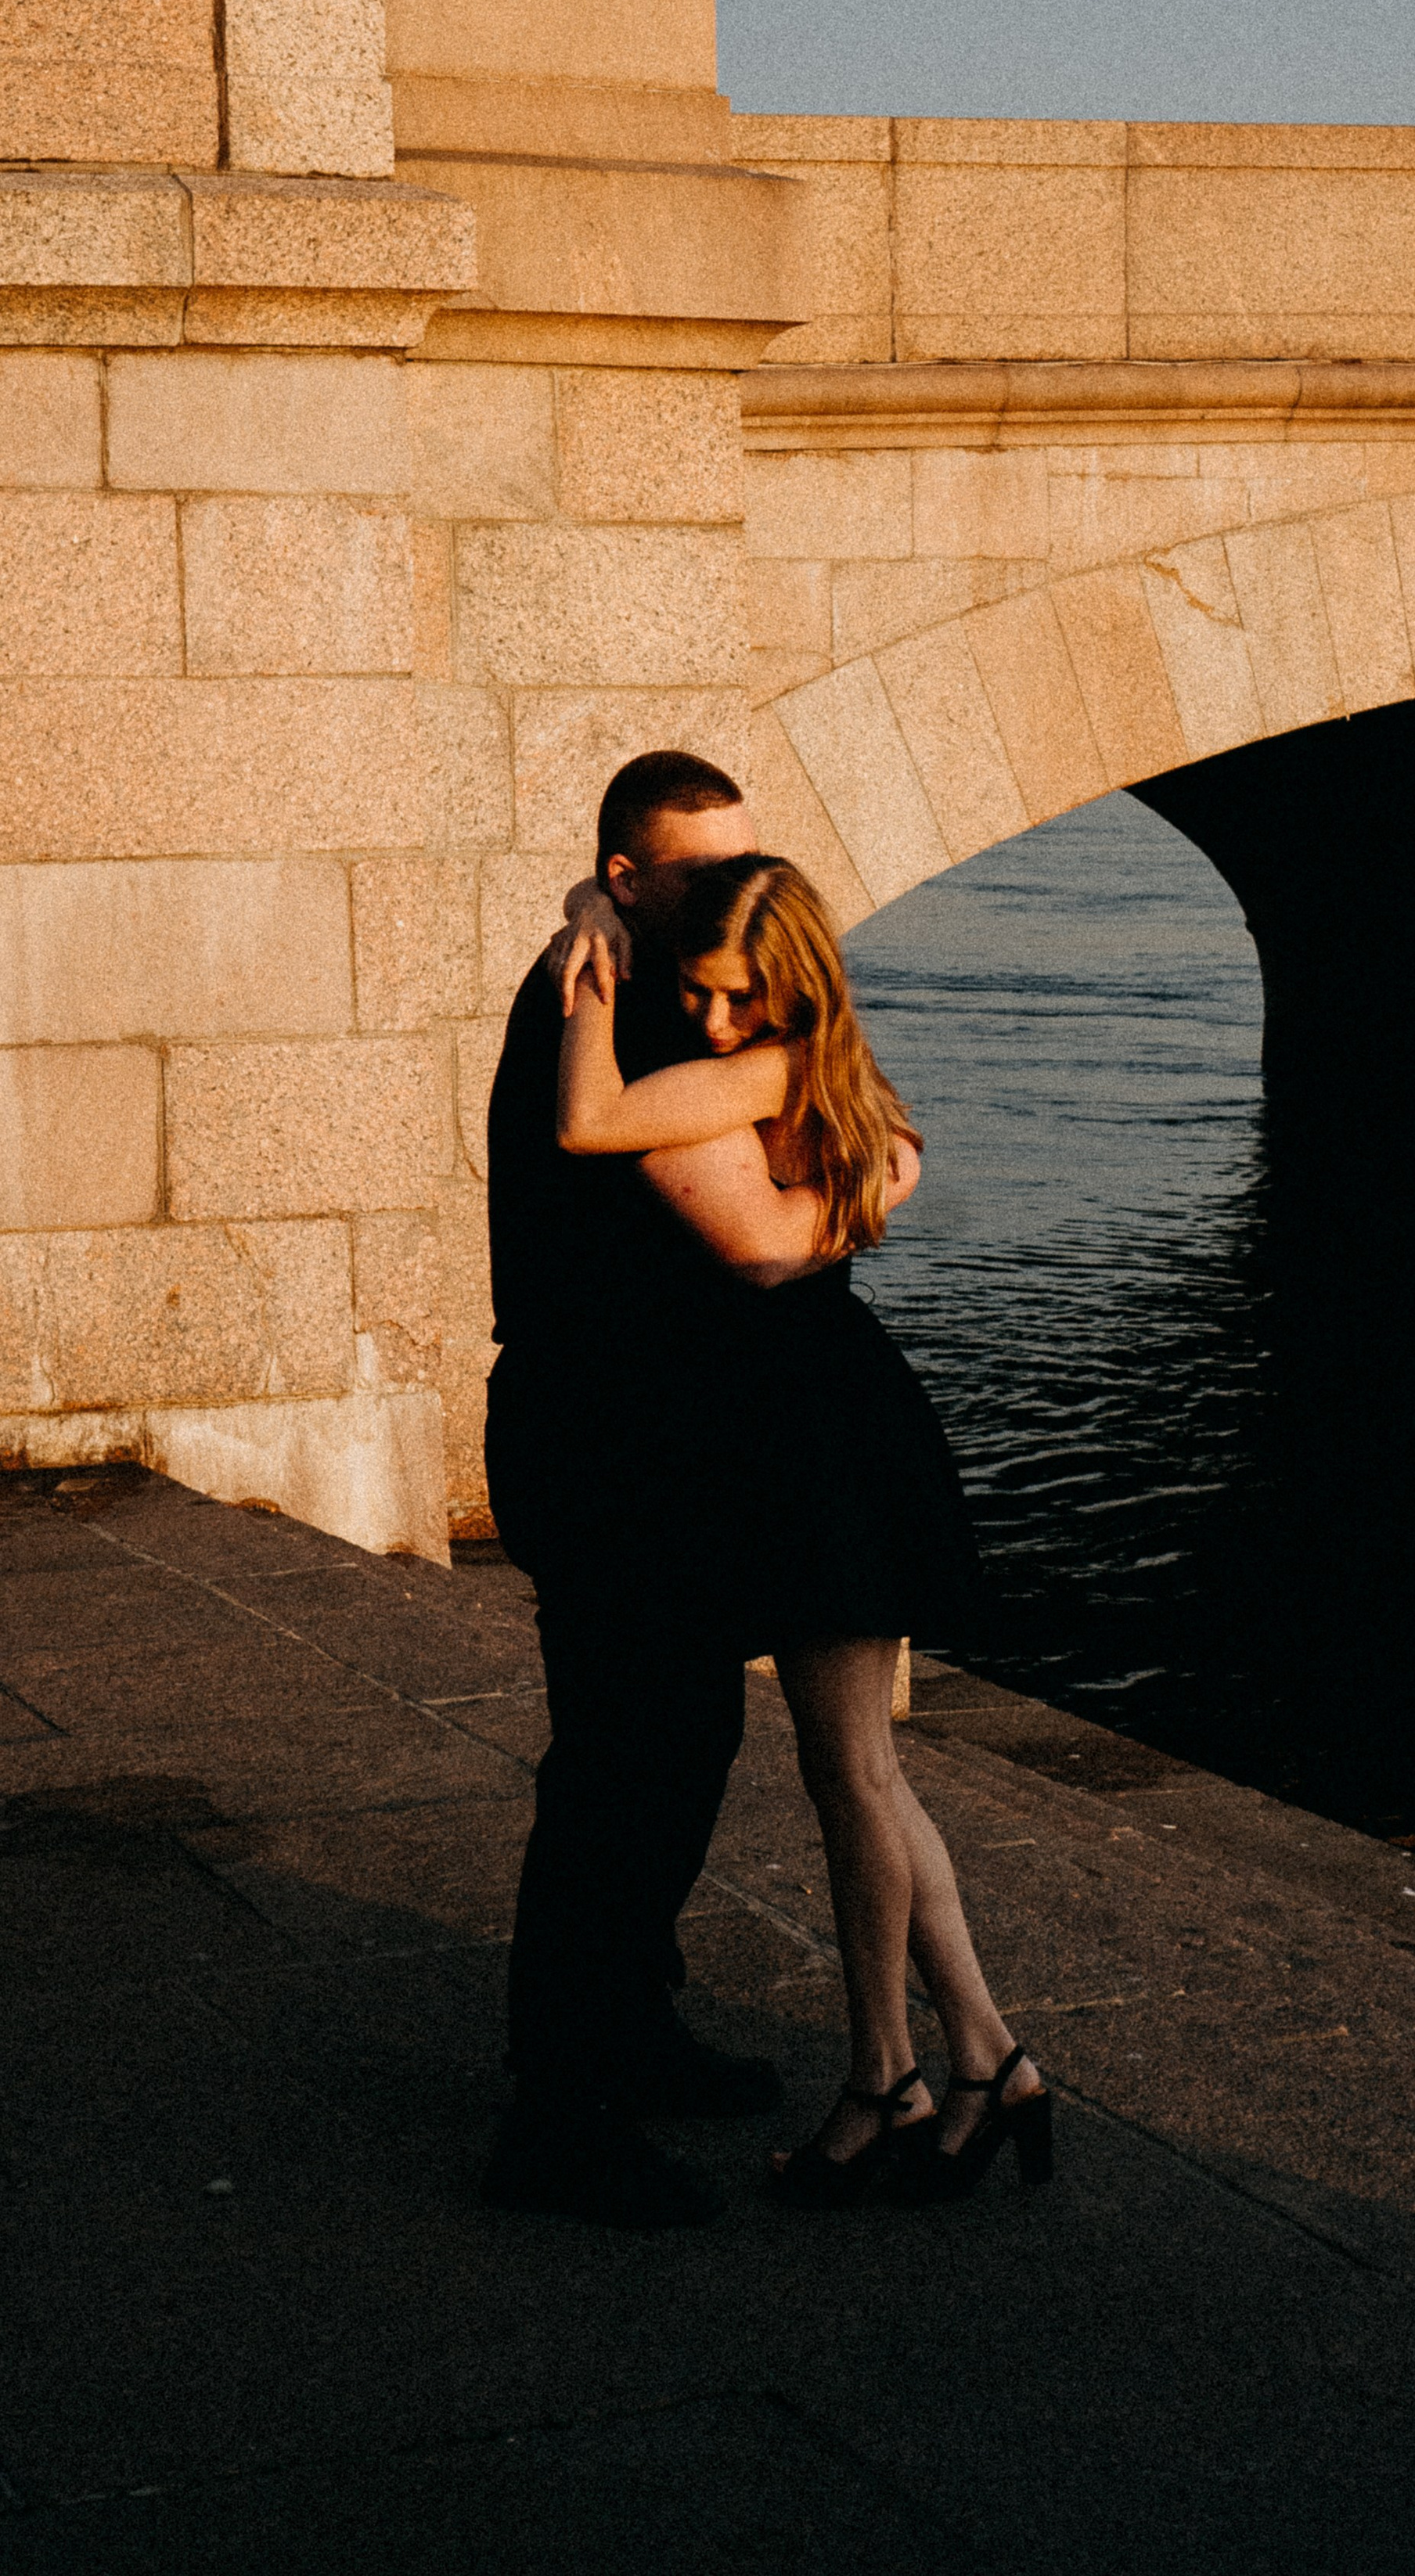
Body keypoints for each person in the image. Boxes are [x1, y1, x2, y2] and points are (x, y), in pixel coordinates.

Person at [556, 851, 1053, 2209]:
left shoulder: (771, 1071)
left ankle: (885, 2082)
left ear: (791, 981)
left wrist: (588, 972)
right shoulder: (825, 1065)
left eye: (736, 996)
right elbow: (875, 1169)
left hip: (814, 1447)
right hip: (817, 1428)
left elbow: (593, 1120)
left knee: (851, 1776)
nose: (715, 1022)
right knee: (866, 1773)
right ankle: (985, 2061)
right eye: (700, 996)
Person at [480, 749, 787, 2234]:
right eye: (695, 869)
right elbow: (748, 1238)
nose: (727, 887)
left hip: (645, 1444)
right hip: (598, 1443)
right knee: (617, 1773)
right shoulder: (609, 1007)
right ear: (625, 878)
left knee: (684, 1741)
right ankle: (561, 2114)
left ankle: (634, 2028)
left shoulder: (636, 972)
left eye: (744, 858)